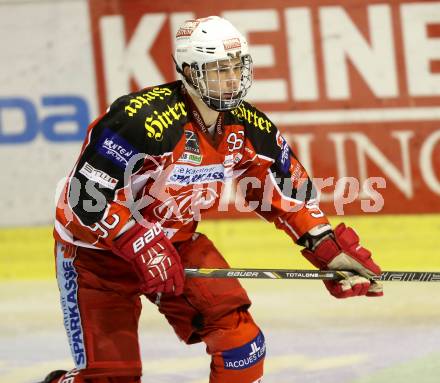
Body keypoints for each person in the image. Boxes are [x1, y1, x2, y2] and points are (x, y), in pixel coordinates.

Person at [41, 15, 383, 383]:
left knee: (243, 347)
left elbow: (286, 191)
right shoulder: (142, 120)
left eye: (238, 66)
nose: (233, 78)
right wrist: (138, 241)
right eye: (219, 69)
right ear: (189, 71)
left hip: (177, 245)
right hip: (96, 256)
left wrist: (327, 249)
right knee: (110, 379)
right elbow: (84, 194)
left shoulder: (251, 127)